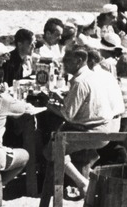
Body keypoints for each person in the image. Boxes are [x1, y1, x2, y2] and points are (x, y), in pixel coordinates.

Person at [44, 46, 115, 197]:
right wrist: (61, 100)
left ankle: (82, 182)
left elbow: (68, 115)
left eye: (68, 61)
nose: (64, 64)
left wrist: (49, 106)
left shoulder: (79, 81)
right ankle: (87, 174)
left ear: (80, 60)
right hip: (104, 126)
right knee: (59, 136)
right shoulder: (91, 75)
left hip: (94, 130)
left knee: (53, 148)